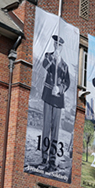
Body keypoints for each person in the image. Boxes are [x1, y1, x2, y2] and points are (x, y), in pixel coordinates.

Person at [40, 34, 70, 171]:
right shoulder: (48, 56)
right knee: (46, 128)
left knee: (55, 130)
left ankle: (52, 160)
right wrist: (53, 58)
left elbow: (67, 82)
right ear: (54, 45)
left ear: (62, 47)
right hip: (48, 96)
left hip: (58, 99)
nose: (57, 47)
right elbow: (45, 66)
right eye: (56, 44)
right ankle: (44, 158)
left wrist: (60, 89)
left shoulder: (64, 65)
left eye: (60, 45)